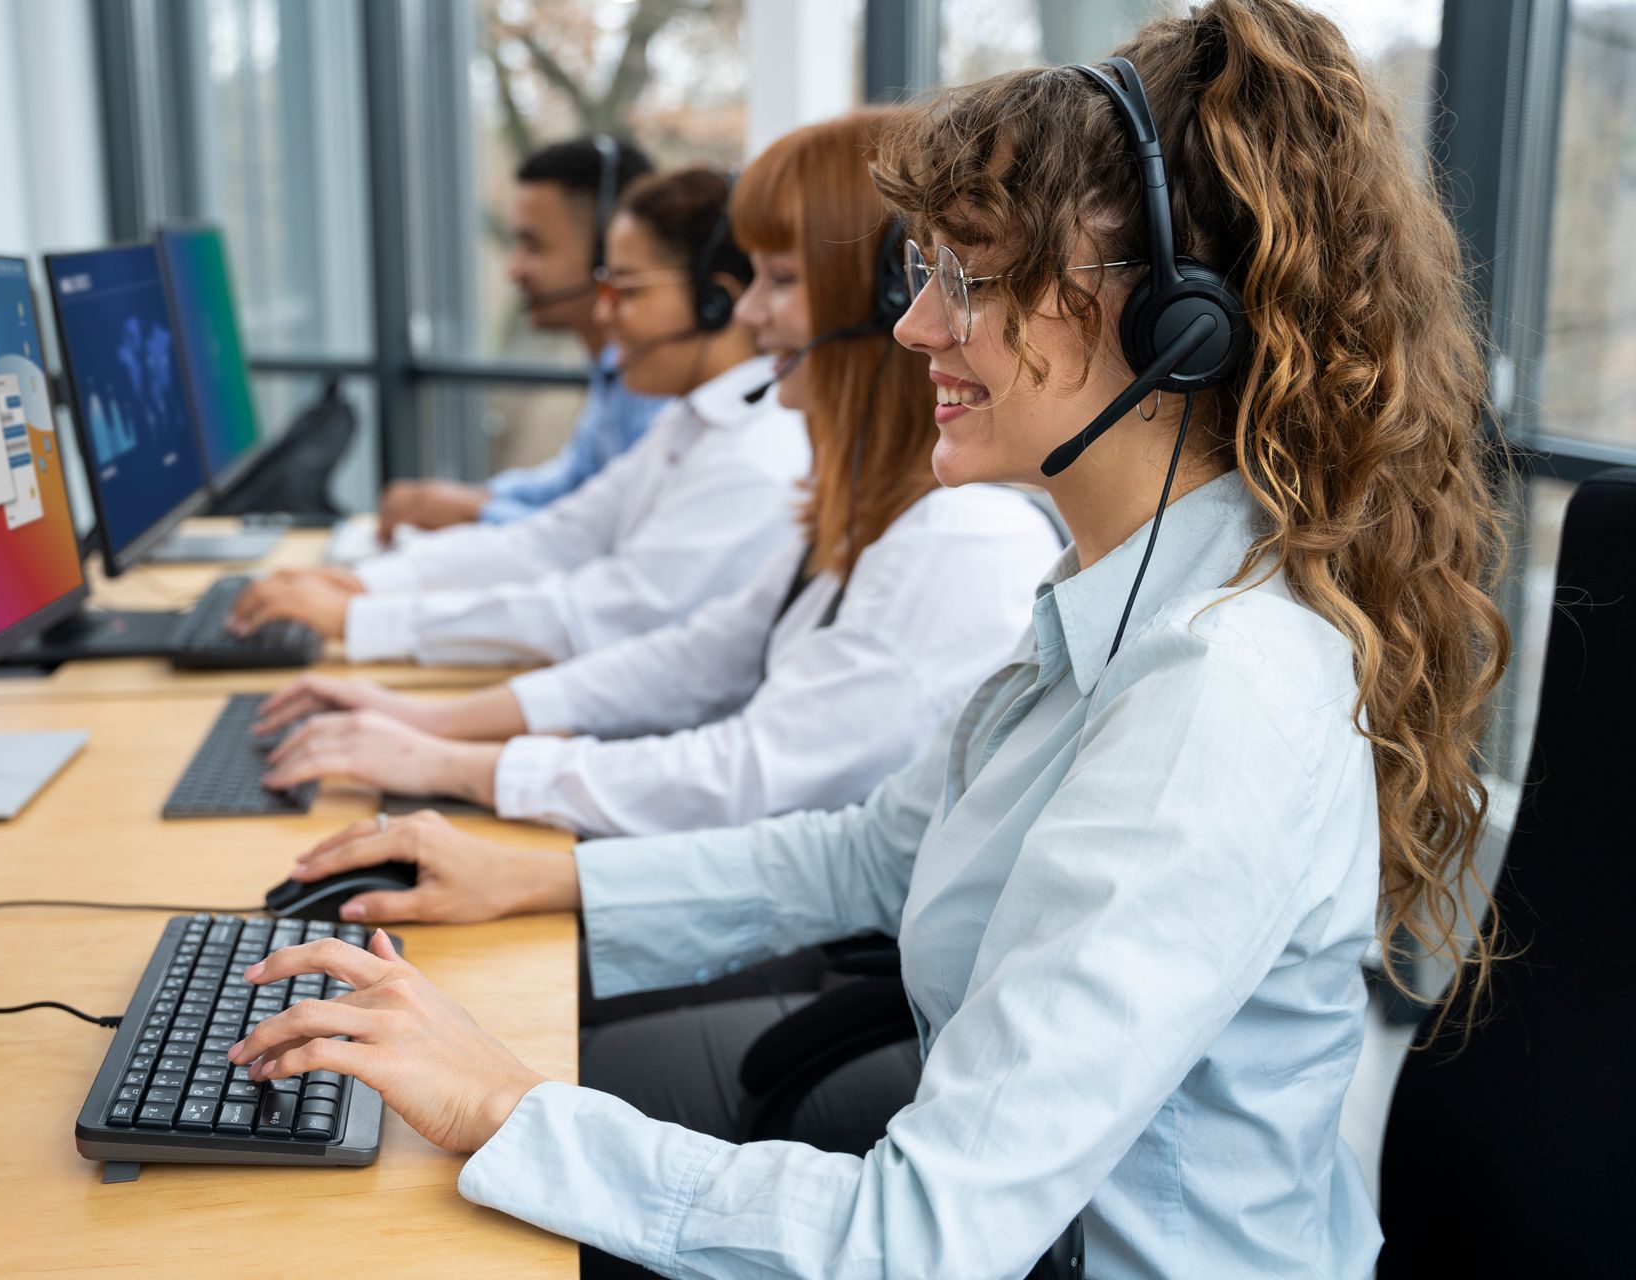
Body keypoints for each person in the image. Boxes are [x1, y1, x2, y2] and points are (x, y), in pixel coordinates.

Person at [224, 2, 1511, 1275]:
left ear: (1179, 323)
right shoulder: (1114, 595)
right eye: (924, 274)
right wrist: (534, 881)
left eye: (975, 279)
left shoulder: (1214, 694)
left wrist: (505, 1106)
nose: (916, 328)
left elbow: (918, 1239)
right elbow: (872, 850)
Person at [248, 111, 1063, 839]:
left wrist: (454, 760)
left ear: (879, 308)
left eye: (778, 282)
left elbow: (747, 766)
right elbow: (694, 655)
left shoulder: (949, 540)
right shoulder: (861, 509)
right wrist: (426, 723)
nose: (747, 314)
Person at [227, 168, 810, 666]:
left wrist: (363, 617)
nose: (605, 317)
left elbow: (604, 613)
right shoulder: (691, 421)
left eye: (626, 291)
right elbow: (552, 541)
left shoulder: (754, 458)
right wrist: (364, 585)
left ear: (717, 303)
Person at [365, 136, 668, 545]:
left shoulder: (659, 386)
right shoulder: (612, 367)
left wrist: (477, 510)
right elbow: (572, 483)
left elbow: (607, 539)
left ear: (607, 252)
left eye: (533, 245)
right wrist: (471, 498)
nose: (513, 269)